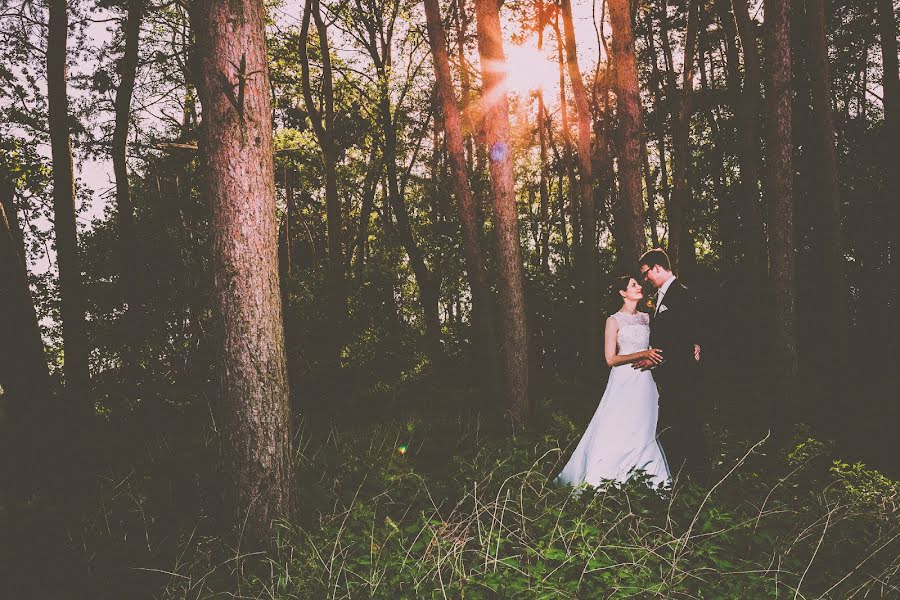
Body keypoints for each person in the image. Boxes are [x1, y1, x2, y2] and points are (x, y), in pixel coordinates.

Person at [555, 275, 671, 489]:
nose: (639, 287)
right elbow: (611, 359)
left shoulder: (646, 318)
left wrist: (651, 359)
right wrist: (640, 353)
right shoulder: (613, 320)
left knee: (644, 427)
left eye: (638, 284)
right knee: (618, 425)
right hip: (623, 380)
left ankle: (649, 481)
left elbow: (656, 350)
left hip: (645, 379)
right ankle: (603, 478)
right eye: (633, 285)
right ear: (622, 293)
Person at [634, 248, 710, 483]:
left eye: (646, 273)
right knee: (676, 423)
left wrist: (657, 358)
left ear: (657, 267)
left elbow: (683, 337)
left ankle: (701, 476)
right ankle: (677, 472)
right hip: (668, 375)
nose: (645, 278)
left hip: (682, 373)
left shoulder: (682, 294)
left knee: (690, 421)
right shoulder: (658, 297)